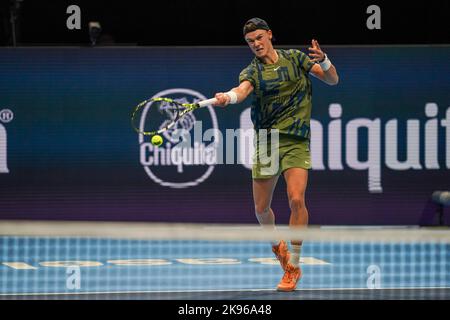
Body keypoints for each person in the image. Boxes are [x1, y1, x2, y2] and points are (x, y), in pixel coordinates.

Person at [213, 17, 339, 291]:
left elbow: (332, 79)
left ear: (270, 35)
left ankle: (293, 264)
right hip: (267, 142)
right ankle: (277, 245)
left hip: (296, 139)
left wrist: (325, 59)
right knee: (261, 210)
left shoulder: (295, 58)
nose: (256, 44)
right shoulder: (252, 72)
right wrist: (227, 97)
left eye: (259, 37)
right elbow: (241, 91)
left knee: (296, 199)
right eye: (250, 41)